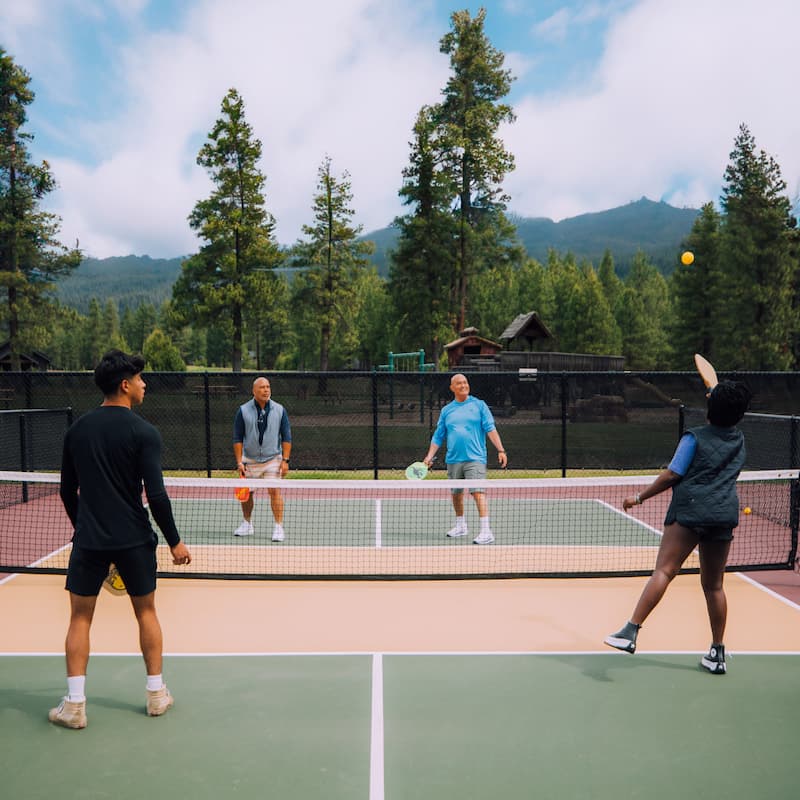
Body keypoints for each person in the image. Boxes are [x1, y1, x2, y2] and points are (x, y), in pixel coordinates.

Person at [51, 350, 192, 729]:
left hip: (90, 541)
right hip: (134, 540)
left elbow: (68, 491)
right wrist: (175, 542)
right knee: (146, 612)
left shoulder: (77, 430)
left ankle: (75, 705)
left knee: (80, 618)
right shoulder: (144, 432)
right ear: (125, 385)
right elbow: (156, 495)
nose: (145, 384)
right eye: (140, 379)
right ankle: (157, 695)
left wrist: (84, 527)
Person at [604, 380, 752, 674]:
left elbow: (672, 474)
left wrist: (638, 497)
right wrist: (719, 400)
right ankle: (717, 652)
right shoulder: (739, 440)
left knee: (664, 571)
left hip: (691, 511)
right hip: (722, 514)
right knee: (714, 586)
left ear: (710, 406)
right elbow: (723, 422)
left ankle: (630, 632)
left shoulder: (693, 438)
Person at [421, 373, 508, 544]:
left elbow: (490, 428)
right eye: (459, 383)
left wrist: (500, 449)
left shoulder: (479, 405)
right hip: (453, 459)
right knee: (456, 494)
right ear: (452, 388)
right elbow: (438, 436)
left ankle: (486, 531)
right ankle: (461, 526)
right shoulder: (447, 411)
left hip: (475, 457)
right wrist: (429, 457)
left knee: (477, 492)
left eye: (465, 382)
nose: (463, 386)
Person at [232, 376, 292, 542]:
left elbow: (286, 437)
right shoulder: (243, 410)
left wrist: (285, 461)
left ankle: (279, 527)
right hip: (249, 460)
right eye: (262, 387)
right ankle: (247, 524)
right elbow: (237, 438)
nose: (266, 390)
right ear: (254, 391)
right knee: (247, 494)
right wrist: (239, 462)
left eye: (268, 387)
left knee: (274, 491)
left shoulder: (280, 410)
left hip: (273, 459)